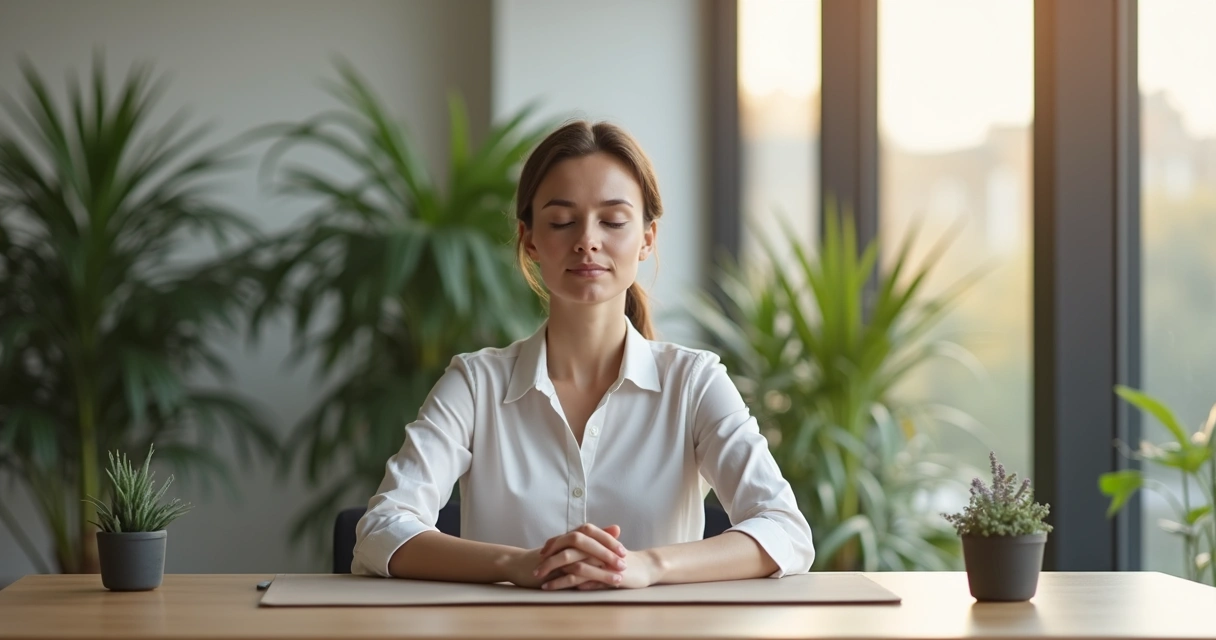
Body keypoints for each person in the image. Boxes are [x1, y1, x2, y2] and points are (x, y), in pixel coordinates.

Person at [352, 121, 814, 590]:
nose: (587, 240)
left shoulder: (693, 383)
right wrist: (517, 565)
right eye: (561, 221)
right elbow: (381, 530)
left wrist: (647, 566)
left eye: (613, 221)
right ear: (530, 240)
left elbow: (784, 528)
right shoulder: (476, 383)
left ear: (647, 238)